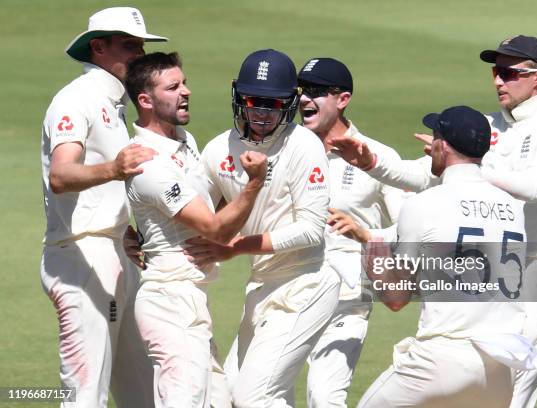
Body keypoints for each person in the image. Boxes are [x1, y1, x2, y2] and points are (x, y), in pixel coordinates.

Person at [329, 35, 537, 407]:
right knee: (478, 383)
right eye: (496, 71)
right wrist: (370, 162)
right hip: (498, 269)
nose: (498, 80)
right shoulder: (489, 126)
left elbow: (535, 187)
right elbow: (424, 174)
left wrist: (472, 165)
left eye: (510, 73)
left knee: (515, 388)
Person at [185, 49, 340, 408]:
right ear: (239, 97)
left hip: (306, 284)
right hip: (261, 287)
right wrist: (142, 238)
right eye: (254, 101)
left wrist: (237, 247)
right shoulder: (218, 149)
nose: (262, 113)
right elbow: (188, 209)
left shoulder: (303, 146)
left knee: (254, 397)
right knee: (226, 398)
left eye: (273, 104)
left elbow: (312, 230)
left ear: (290, 103)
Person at [356, 105, 533, 408]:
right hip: (500, 371)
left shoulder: (424, 204)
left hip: (443, 361)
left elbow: (397, 297)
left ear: (442, 146)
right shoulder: (512, 208)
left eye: (435, 138)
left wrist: (373, 262)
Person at [123, 51, 267, 408]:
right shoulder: (148, 162)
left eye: (184, 82)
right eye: (173, 87)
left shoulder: (185, 143)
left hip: (191, 296)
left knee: (218, 402)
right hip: (169, 299)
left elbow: (212, 203)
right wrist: (254, 185)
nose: (185, 91)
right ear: (145, 100)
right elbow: (214, 228)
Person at [40, 7, 167, 407]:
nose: (139, 55)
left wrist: (123, 229)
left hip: (115, 253)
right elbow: (61, 176)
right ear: (98, 47)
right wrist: (114, 168)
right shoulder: (77, 98)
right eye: (129, 46)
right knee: (85, 395)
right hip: (82, 258)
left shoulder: (114, 102)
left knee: (147, 396)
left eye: (141, 46)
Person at [296, 57, 404, 408]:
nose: (303, 100)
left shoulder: (376, 157)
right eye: (301, 91)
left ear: (342, 99)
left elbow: (409, 228)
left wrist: (365, 234)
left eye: (315, 92)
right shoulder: (286, 151)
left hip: (346, 301)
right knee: (246, 393)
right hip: (287, 293)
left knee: (323, 398)